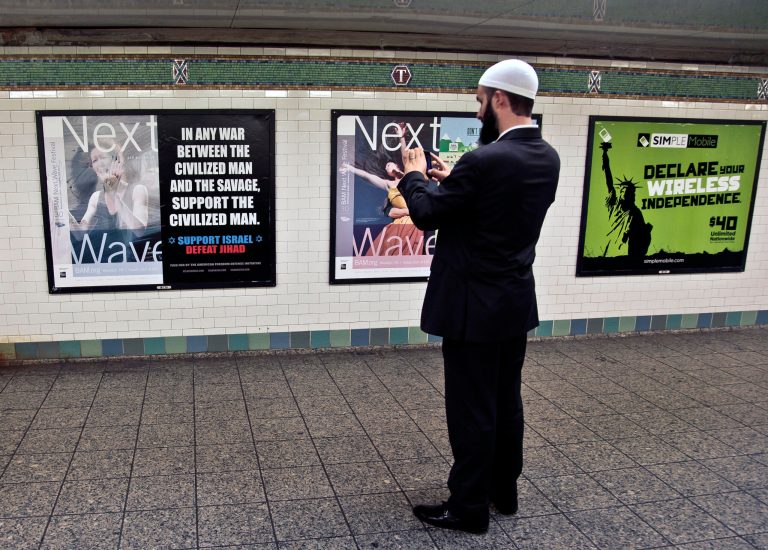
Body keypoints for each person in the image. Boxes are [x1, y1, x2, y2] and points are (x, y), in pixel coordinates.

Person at [397, 59, 560, 534]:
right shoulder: (545, 156)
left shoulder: (484, 160)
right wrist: (453, 181)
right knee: (506, 402)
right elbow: (493, 207)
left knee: (471, 411)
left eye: (480, 100)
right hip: (513, 305)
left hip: (472, 310)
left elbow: (426, 215)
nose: (478, 110)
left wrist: (414, 176)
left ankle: (468, 507)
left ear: (501, 100)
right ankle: (502, 492)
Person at [340, 160, 426, 256]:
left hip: (414, 223)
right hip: (399, 223)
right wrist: (350, 168)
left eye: (388, 165)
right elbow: (366, 175)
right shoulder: (388, 184)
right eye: (385, 167)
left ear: (397, 165)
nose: (386, 168)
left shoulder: (411, 178)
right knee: (385, 250)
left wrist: (398, 172)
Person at [70, 142, 149, 238]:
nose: (100, 164)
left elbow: (139, 231)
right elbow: (80, 234)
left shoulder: (137, 190)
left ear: (117, 160)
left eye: (103, 157)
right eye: (95, 160)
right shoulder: (96, 198)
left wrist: (112, 191)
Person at [599, 141, 653, 257]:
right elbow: (608, 179)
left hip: (629, 255)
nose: (629, 193)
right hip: (611, 252)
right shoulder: (614, 204)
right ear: (620, 192)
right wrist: (605, 154)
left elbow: (644, 236)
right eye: (625, 190)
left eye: (631, 191)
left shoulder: (636, 212)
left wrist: (646, 231)